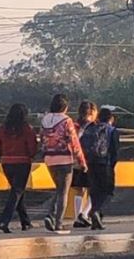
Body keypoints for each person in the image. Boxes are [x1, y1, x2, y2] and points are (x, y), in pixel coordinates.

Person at [40, 94, 87, 234]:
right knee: (63, 192)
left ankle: (50, 216)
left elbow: (42, 138)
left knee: (59, 189)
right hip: (64, 159)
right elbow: (74, 142)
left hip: (49, 159)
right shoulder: (67, 120)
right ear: (65, 107)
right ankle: (58, 223)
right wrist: (82, 161)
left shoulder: (45, 119)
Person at [0, 103, 37, 234]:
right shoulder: (26, 129)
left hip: (6, 163)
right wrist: (31, 155)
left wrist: (4, 155)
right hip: (23, 162)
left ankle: (26, 222)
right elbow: (32, 147)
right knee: (17, 192)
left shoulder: (3, 128)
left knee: (17, 192)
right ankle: (4, 220)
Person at [81, 107, 120, 230]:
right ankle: (96, 211)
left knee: (95, 191)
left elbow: (82, 143)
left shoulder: (91, 128)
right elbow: (115, 151)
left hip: (91, 164)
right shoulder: (112, 130)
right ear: (111, 119)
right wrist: (112, 165)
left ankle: (96, 220)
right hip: (105, 163)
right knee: (108, 191)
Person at [72, 100, 98, 228]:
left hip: (76, 160)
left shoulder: (75, 125)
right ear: (92, 112)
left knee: (79, 190)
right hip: (90, 161)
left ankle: (77, 217)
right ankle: (84, 213)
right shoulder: (94, 126)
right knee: (94, 189)